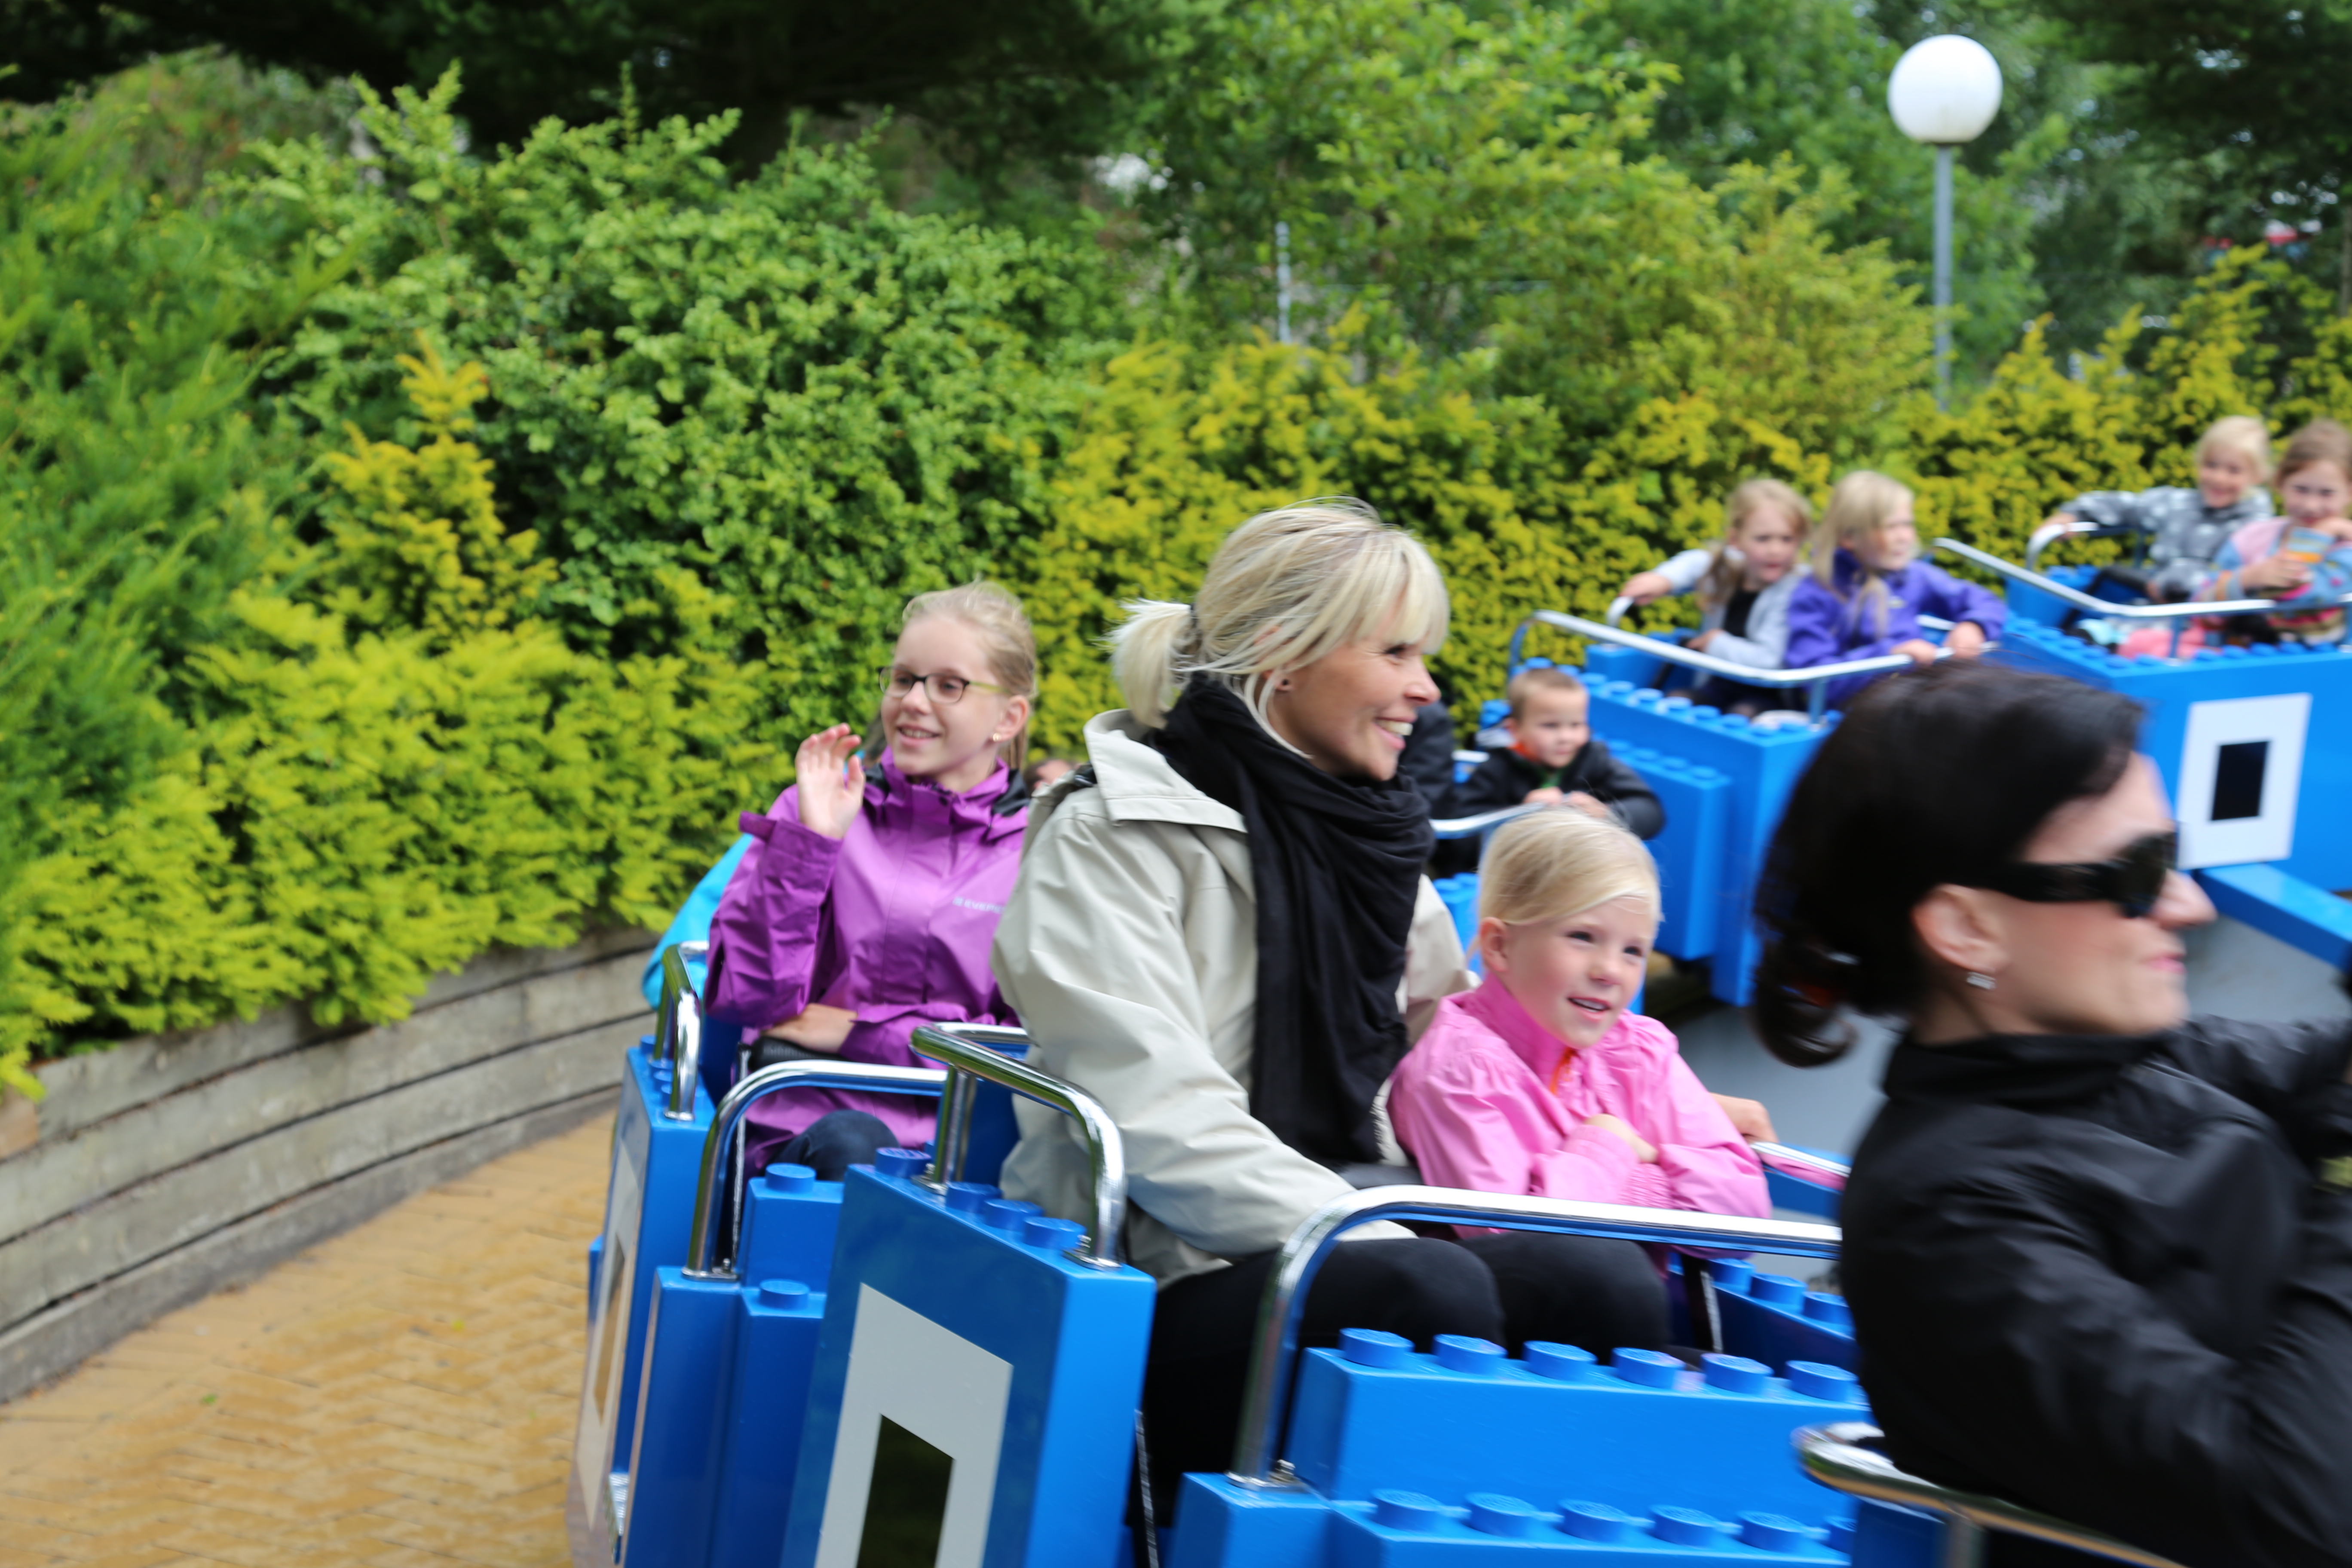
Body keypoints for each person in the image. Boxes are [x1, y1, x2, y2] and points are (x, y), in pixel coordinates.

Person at [991, 500, 1670, 1510]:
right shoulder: (1108, 835)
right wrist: (1374, 1228)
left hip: (1360, 1223)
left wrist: (1650, 1109)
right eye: (1396, 651)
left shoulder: (1376, 842)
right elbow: (1158, 1115)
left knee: (1602, 1283)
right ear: (1283, 652)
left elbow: (1453, 1056)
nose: (1423, 689)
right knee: (1419, 1289)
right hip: (1155, 1271)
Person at [1752, 658, 2352, 1568]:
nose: (2188, 904)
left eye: (2174, 857)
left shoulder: (2126, 1057)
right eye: (2139, 871)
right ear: (1967, 929)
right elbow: (2292, 1506)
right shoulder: (1946, 1222)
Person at [704, 582, 1037, 1179]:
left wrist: (860, 1032)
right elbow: (748, 999)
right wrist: (812, 847)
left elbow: (1034, 1047)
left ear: (1008, 718)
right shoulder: (814, 809)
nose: (913, 700)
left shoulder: (1042, 853)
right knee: (855, 1150)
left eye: (948, 685)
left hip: (971, 1155)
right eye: (904, 679)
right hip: (808, 1133)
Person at [1387, 809, 1767, 1252]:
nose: (1610, 971)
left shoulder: (1638, 1051)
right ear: (1499, 946)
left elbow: (1745, 1213)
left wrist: (1636, 1170)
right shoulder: (1459, 1075)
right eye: (1583, 936)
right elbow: (1520, 1244)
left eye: (1632, 951)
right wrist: (1611, 1144)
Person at [1783, 471, 2003, 711]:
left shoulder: (1913, 576)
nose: (1905, 537)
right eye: (1891, 527)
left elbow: (1984, 601)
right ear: (1849, 536)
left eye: (1907, 524)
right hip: (1853, 716)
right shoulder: (1817, 592)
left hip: (1909, 702)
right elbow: (1814, 679)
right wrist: (1888, 656)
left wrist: (1973, 626)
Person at [1617, 478, 1814, 714]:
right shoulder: (1726, 570)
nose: (1776, 550)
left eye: (1787, 539)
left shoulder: (1794, 589)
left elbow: (1770, 661)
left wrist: (1715, 643)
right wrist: (1664, 579)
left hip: (1771, 695)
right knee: (1676, 700)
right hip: (1720, 686)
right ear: (1736, 540)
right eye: (1763, 539)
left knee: (1743, 714)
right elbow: (1696, 564)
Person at [2035, 414, 2274, 601]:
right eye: (2211, 465)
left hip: (2208, 622)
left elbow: (2242, 578)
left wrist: (2170, 585)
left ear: (2258, 475)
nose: (2219, 478)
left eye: (2234, 471)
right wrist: (2073, 513)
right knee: (2091, 629)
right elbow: (2127, 505)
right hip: (2151, 607)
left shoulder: (2256, 528)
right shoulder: (2180, 504)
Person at [1442, 668, 1663, 837]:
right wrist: (1520, 815)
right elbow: (1462, 833)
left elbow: (1650, 811)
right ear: (1515, 729)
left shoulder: (1594, 759)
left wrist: (1606, 815)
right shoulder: (1497, 769)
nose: (1566, 737)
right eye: (1550, 726)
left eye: (1576, 725)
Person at [2192, 417, 2352, 647]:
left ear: (2349, 493)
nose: (2311, 505)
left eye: (2327, 493)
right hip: (2240, 667)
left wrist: (2323, 533)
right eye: (2301, 489)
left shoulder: (2345, 551)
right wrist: (2248, 578)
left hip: (2321, 676)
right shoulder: (2250, 539)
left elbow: (2299, 593)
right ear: (2280, 483)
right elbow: (2198, 609)